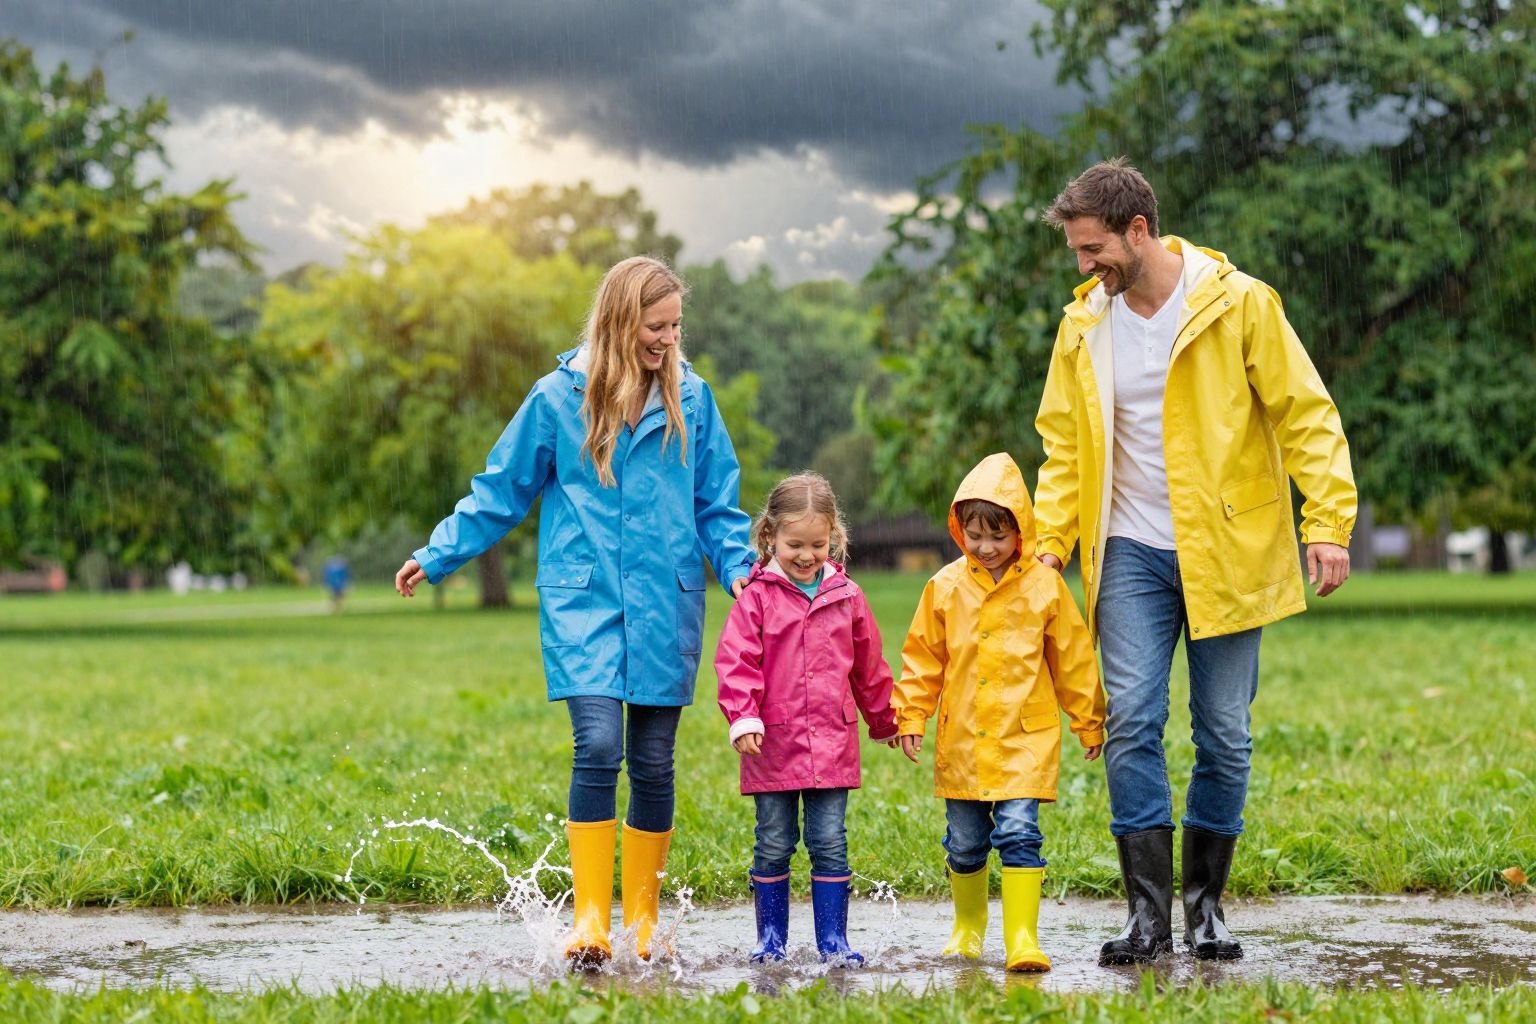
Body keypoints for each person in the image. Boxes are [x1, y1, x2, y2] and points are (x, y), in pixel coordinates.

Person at [1032, 159, 1358, 963]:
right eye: (1077, 252)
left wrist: (1329, 523)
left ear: (1139, 229)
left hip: (1228, 548)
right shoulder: (1084, 326)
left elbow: (1306, 413)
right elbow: (1064, 447)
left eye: (1094, 248)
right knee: (1132, 721)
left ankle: (1205, 909)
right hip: (1131, 551)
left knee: (1224, 733)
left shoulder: (1237, 302)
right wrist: (1048, 544)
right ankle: (1147, 918)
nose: (1085, 267)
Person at [394, 255, 756, 968]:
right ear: (621, 321)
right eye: (657, 326)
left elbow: (718, 502)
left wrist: (740, 567)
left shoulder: (694, 396)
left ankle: (645, 925)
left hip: (665, 603)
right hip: (583, 602)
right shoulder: (557, 398)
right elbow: (500, 490)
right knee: (597, 745)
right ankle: (591, 920)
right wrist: (438, 554)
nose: (668, 340)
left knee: (654, 762)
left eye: (677, 326)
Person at [893, 453, 1104, 972]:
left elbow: (1073, 660)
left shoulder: (1045, 588)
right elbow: (923, 659)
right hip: (963, 740)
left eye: (998, 536)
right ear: (959, 529)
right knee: (964, 843)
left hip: (1025, 741)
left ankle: (1023, 939)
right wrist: (911, 715)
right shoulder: (943, 587)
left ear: (1021, 532)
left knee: (1019, 834)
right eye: (974, 535)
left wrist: (1089, 719)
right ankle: (967, 930)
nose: (985, 548)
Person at [715, 473, 898, 965]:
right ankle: (770, 939)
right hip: (771, 743)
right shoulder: (755, 596)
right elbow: (736, 662)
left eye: (817, 544)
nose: (805, 554)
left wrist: (885, 721)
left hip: (832, 744)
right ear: (769, 536)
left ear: (833, 537)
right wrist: (743, 717)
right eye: (794, 543)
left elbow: (869, 667)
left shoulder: (848, 597)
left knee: (829, 841)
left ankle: (833, 943)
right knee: (773, 840)